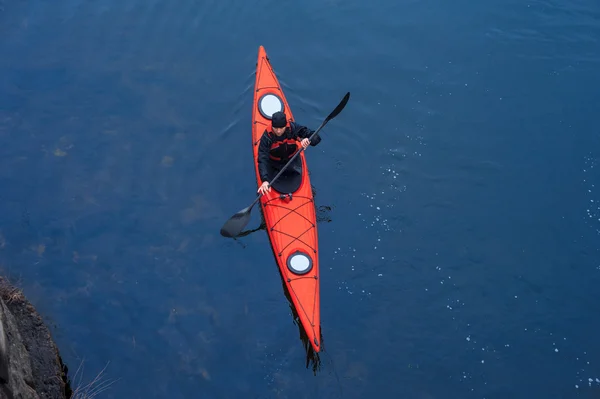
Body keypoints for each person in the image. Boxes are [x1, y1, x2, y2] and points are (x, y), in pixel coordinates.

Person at [257, 111, 321, 195]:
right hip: (274, 164)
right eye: (275, 128)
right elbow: (262, 157)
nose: (278, 131)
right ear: (272, 126)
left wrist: (308, 139)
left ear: (286, 125)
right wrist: (264, 180)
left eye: (281, 128)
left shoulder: (293, 128)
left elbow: (316, 138)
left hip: (292, 160)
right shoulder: (267, 137)